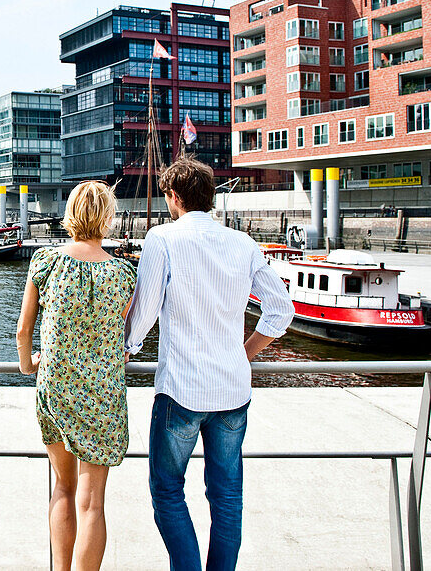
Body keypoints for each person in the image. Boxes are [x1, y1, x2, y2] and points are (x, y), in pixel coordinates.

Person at [125, 156, 294, 571]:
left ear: (173, 196)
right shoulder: (242, 243)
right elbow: (281, 310)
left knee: (167, 490)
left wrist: (126, 346)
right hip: (233, 390)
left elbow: (144, 313)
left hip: (181, 389)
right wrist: (245, 353)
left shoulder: (162, 239)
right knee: (227, 496)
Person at [16, 180, 136, 571]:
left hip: (56, 386)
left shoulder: (45, 262)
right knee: (92, 502)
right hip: (102, 394)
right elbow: (117, 331)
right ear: (108, 218)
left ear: (70, 214)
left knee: (63, 490)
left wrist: (27, 364)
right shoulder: (123, 273)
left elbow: (24, 330)